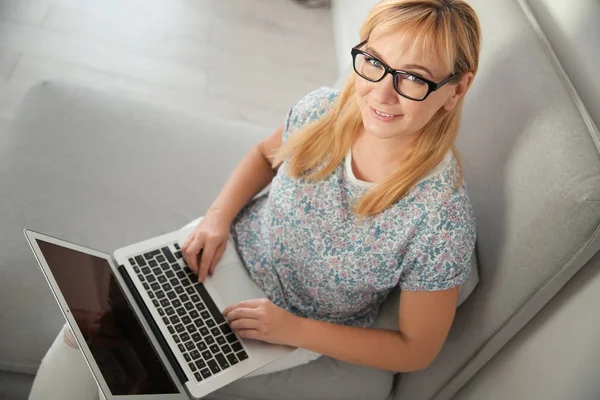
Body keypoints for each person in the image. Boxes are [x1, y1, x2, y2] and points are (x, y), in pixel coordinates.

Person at [28, 0, 481, 398]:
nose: (382, 92)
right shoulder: (323, 110)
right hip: (220, 253)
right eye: (374, 62)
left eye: (413, 79)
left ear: (456, 89)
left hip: (289, 324)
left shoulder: (440, 221)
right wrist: (216, 219)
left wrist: (293, 330)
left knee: (141, 374)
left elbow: (416, 349)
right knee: (82, 330)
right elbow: (265, 154)